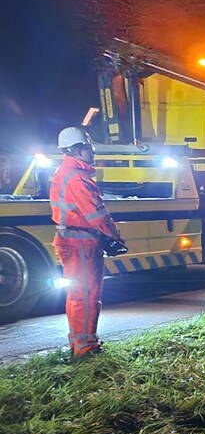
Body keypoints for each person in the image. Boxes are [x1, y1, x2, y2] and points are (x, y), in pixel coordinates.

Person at [49, 127, 123, 357]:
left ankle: (79, 344)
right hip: (82, 244)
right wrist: (114, 235)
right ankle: (86, 348)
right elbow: (96, 214)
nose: (93, 153)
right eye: (89, 148)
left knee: (78, 295)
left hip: (71, 241)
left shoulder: (66, 173)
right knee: (88, 295)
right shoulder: (78, 177)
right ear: (78, 150)